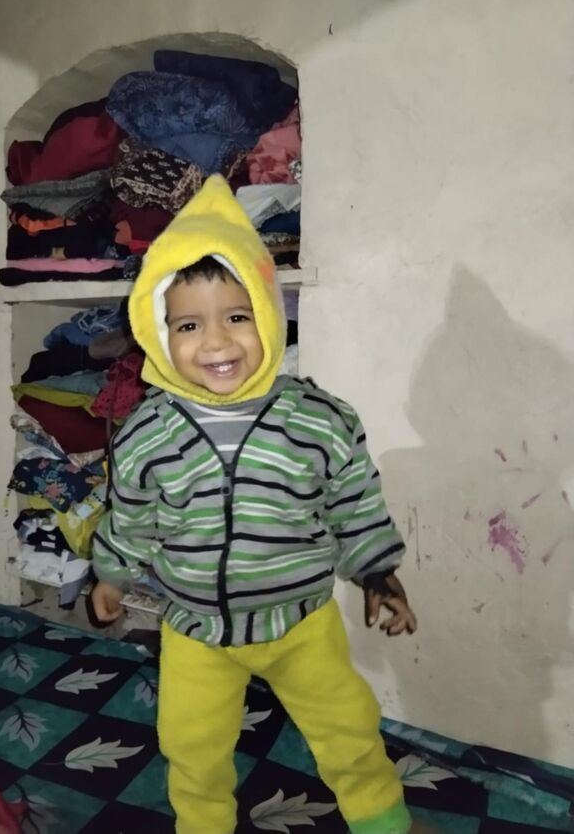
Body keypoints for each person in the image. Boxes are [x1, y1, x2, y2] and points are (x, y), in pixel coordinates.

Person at [91, 175, 418, 834]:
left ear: (268, 313)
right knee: (192, 750)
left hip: (301, 624)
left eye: (236, 316)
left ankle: (383, 821)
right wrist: (111, 575)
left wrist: (377, 572)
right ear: (157, 332)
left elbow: (354, 501)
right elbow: (130, 516)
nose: (216, 343)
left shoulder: (320, 420)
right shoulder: (147, 434)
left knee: (349, 730)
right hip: (197, 631)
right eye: (189, 324)